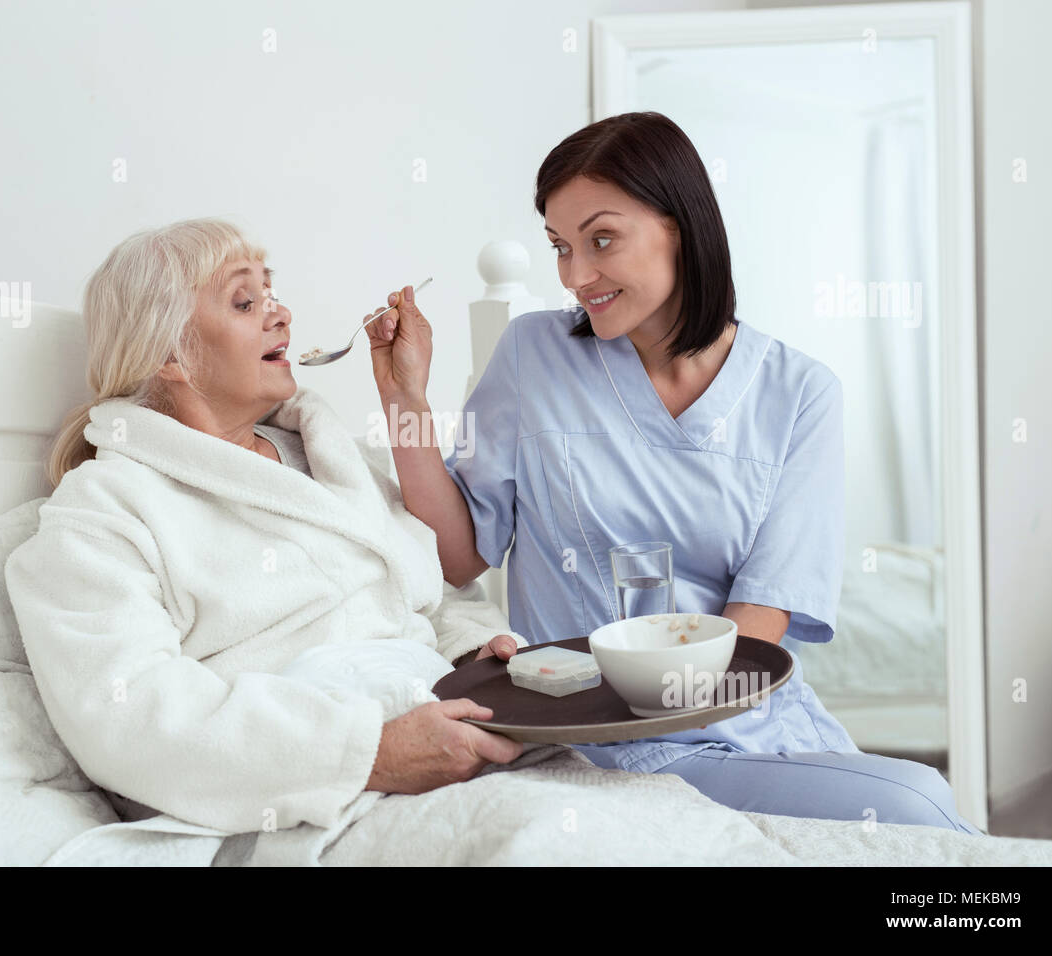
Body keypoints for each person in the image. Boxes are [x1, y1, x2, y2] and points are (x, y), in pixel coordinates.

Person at [364, 112, 982, 834]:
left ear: (680, 227)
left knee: (919, 806)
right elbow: (457, 554)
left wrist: (670, 697)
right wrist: (404, 399)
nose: (576, 275)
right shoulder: (534, 355)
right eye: (561, 248)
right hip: (594, 740)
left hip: (744, 721)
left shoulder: (800, 393)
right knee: (921, 805)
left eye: (601, 240)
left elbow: (765, 617)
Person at [4, 217, 530, 836]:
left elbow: (434, 591)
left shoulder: (328, 456)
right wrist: (373, 754)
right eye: (244, 300)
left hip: (451, 728)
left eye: (271, 293)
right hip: (315, 800)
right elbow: (129, 716)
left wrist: (475, 655)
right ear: (169, 353)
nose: (280, 315)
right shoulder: (104, 509)